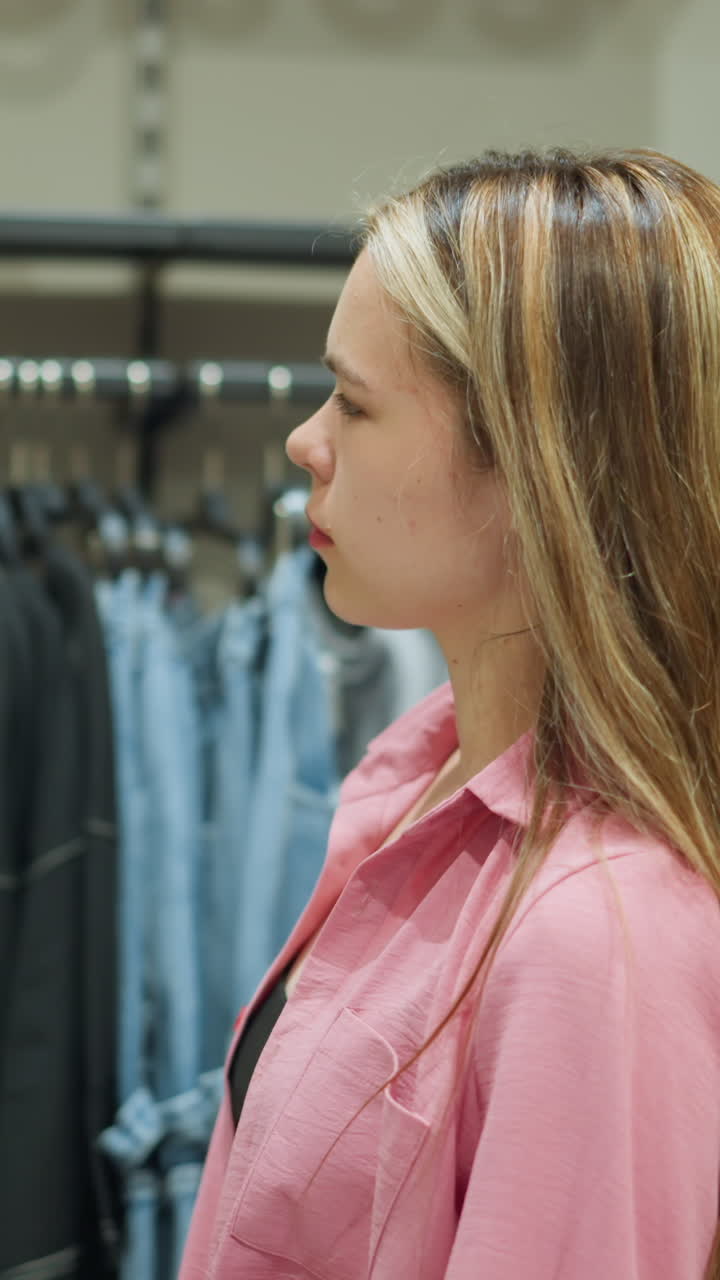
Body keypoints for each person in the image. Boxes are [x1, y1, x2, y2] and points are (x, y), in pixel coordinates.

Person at [179, 148, 720, 1279]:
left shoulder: (596, 933)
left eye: (357, 404)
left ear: (533, 469)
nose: (304, 441)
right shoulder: (415, 784)